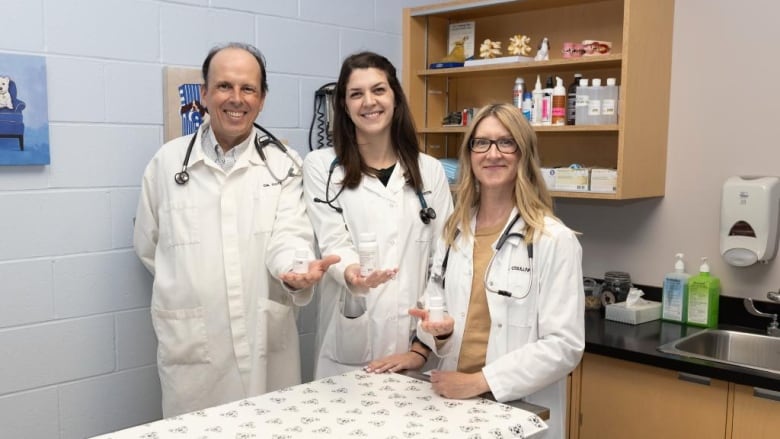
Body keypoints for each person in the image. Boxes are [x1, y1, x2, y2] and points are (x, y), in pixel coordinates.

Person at [133, 42, 339, 417]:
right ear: (206, 93)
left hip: (265, 339)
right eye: (225, 86)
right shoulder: (167, 165)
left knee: (270, 423)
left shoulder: (285, 165)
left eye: (248, 89)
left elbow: (291, 235)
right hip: (193, 345)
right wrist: (195, 285)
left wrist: (293, 273)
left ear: (262, 99)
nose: (236, 98)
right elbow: (149, 246)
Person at [410, 103, 584, 438]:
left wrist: (480, 382)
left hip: (515, 408)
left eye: (506, 143)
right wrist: (440, 332)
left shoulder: (553, 239)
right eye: (482, 143)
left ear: (523, 153)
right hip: (455, 404)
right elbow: (439, 309)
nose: (493, 154)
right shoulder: (453, 231)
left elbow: (564, 345)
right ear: (469, 154)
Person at [303, 51, 454, 378]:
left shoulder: (429, 171)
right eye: (356, 94)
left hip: (413, 347)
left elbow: (443, 262)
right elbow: (333, 241)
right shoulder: (322, 167)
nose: (368, 102)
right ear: (344, 105)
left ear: (396, 97)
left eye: (378, 90)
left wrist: (421, 347)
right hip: (349, 344)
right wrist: (353, 272)